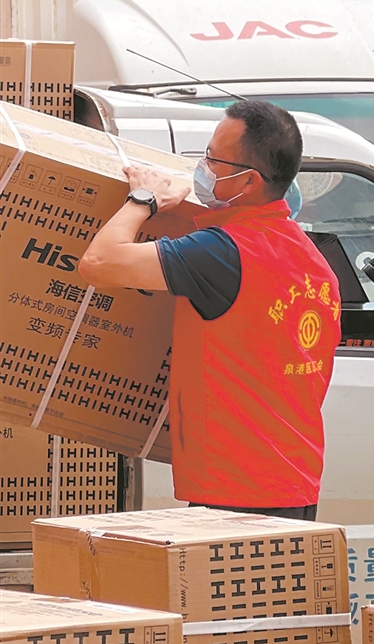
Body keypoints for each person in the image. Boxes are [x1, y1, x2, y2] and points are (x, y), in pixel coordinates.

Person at [79, 100, 341, 520]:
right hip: (295, 484)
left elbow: (98, 263)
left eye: (213, 160)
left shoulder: (223, 253)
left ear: (249, 180)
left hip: (236, 491)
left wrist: (144, 200)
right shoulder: (312, 260)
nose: (202, 168)